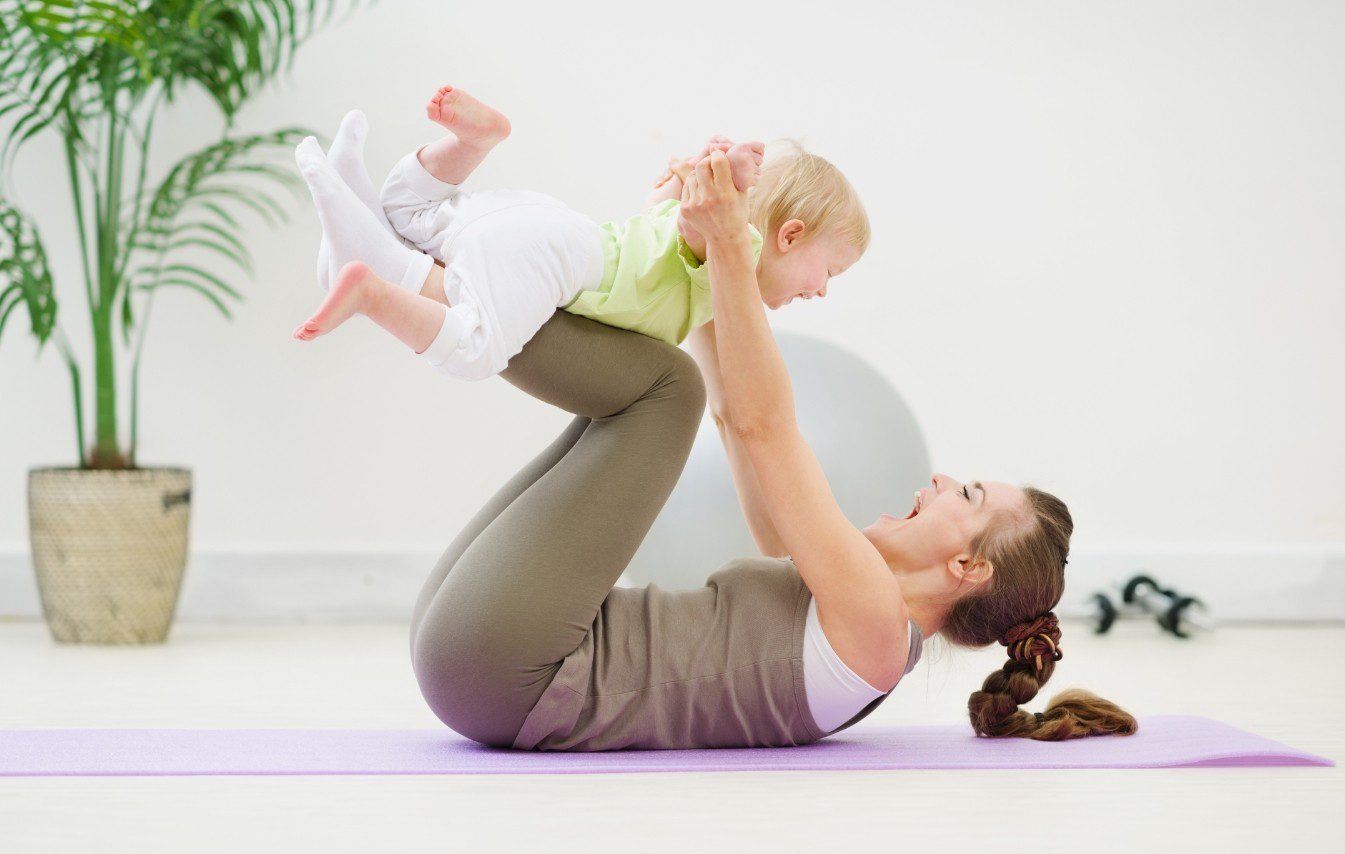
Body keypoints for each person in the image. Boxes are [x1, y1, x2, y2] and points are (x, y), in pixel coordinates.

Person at [395, 151, 1139, 749]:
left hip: (512, 672)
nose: (944, 480)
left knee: (663, 391)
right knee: (658, 384)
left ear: (966, 569)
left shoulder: (878, 627)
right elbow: (734, 419)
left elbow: (764, 426)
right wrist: (710, 249)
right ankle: (425, 281)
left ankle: (433, 283)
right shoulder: (847, 606)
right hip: (484, 651)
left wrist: (724, 240)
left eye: (969, 497)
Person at [290, 89, 865, 382]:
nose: (821, 292)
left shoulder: (697, 249)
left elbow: (658, 216)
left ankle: (466, 146)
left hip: (543, 222)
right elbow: (697, 229)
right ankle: (372, 289)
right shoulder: (736, 248)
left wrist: (690, 172)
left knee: (408, 215)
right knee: (471, 349)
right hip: (555, 260)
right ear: (789, 235)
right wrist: (730, 181)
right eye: (831, 273)